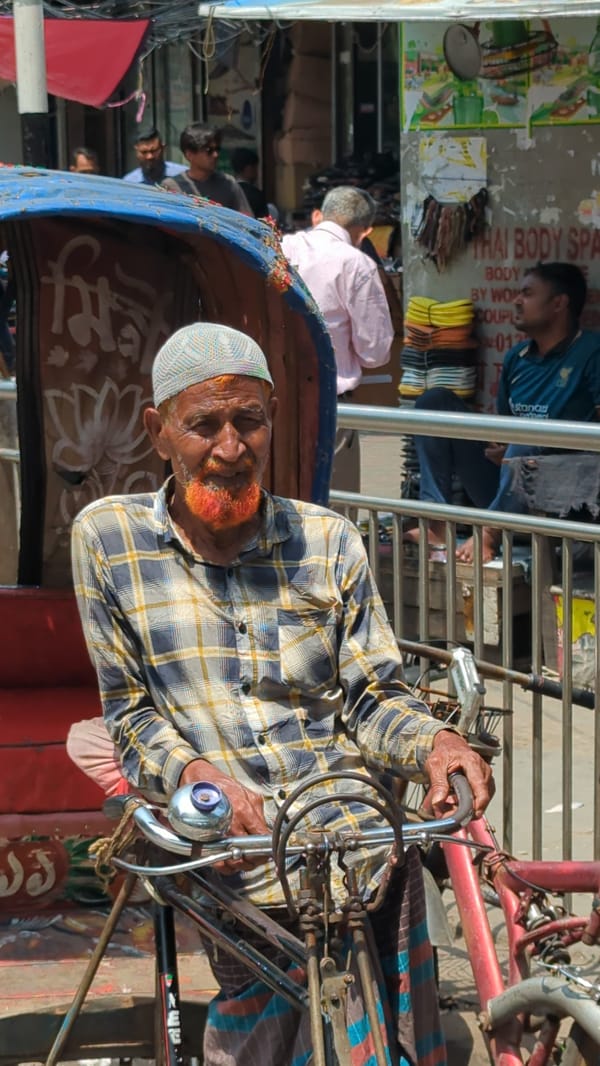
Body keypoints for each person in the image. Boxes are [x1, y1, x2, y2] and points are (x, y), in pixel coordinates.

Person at [70, 322, 493, 1066]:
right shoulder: (108, 540)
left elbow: (373, 697)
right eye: (204, 425)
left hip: (353, 838)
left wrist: (436, 741)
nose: (231, 448)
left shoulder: (328, 541)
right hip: (226, 855)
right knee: (270, 1016)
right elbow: (129, 714)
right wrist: (198, 777)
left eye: (250, 421)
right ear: (158, 432)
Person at [406, 262, 600, 563]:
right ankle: (436, 520)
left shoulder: (592, 352)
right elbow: (506, 426)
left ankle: (490, 534)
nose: (517, 301)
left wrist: (530, 445)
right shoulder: (517, 358)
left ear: (559, 303)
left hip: (562, 497)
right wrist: (502, 448)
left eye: (527, 293)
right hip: (506, 488)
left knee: (529, 436)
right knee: (434, 403)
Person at [281, 187, 394, 495]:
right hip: (329, 403)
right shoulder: (356, 264)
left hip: (275, 395)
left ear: (321, 214)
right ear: (366, 230)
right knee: (332, 508)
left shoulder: (283, 247)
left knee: (282, 495)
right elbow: (375, 350)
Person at [161, 123, 251, 214]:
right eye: (209, 151)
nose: (215, 155)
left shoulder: (228, 183)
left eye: (217, 149)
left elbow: (247, 221)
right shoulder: (171, 187)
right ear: (189, 155)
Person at [122, 127, 186, 186]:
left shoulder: (183, 176)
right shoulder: (129, 183)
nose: (149, 156)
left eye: (154, 151)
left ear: (163, 148)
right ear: (136, 152)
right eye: (144, 152)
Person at [230, 146, 270, 219]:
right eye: (256, 167)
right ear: (249, 168)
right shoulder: (255, 194)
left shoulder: (227, 190)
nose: (257, 172)